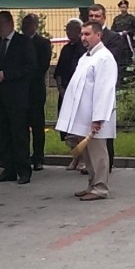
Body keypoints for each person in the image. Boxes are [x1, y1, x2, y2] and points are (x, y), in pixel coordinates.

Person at [55, 21, 118, 201]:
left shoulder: (104, 58)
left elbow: (104, 90)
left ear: (98, 35)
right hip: (83, 116)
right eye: (82, 34)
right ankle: (92, 184)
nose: (83, 38)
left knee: (98, 153)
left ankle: (100, 187)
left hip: (95, 117)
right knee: (87, 154)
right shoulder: (86, 57)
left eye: (87, 34)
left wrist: (98, 118)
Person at [0, 10, 37, 184]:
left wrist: (7, 74)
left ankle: (24, 169)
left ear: (10, 24)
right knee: (2, 134)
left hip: (16, 96)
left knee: (19, 134)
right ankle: (8, 168)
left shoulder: (23, 42)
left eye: (1, 24)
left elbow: (30, 67)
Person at [86, 4, 126, 170]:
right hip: (88, 91)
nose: (94, 18)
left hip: (105, 89)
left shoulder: (113, 38)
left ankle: (106, 164)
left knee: (104, 129)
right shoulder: (85, 37)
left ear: (104, 18)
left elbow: (111, 62)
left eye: (97, 16)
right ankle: (90, 164)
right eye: (91, 16)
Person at [53, 19, 87, 170]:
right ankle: (74, 156)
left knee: (80, 127)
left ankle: (83, 159)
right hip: (65, 92)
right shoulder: (66, 49)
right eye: (67, 30)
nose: (68, 33)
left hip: (79, 92)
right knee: (69, 129)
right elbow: (59, 70)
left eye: (71, 30)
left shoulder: (83, 49)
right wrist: (60, 87)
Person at [22, 13, 52, 171]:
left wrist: (25, 73)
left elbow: (42, 66)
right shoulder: (19, 41)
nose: (25, 27)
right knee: (22, 125)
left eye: (28, 24)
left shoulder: (43, 43)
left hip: (35, 89)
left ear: (35, 25)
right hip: (21, 91)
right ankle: (24, 155)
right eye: (23, 23)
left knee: (37, 125)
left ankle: (38, 157)